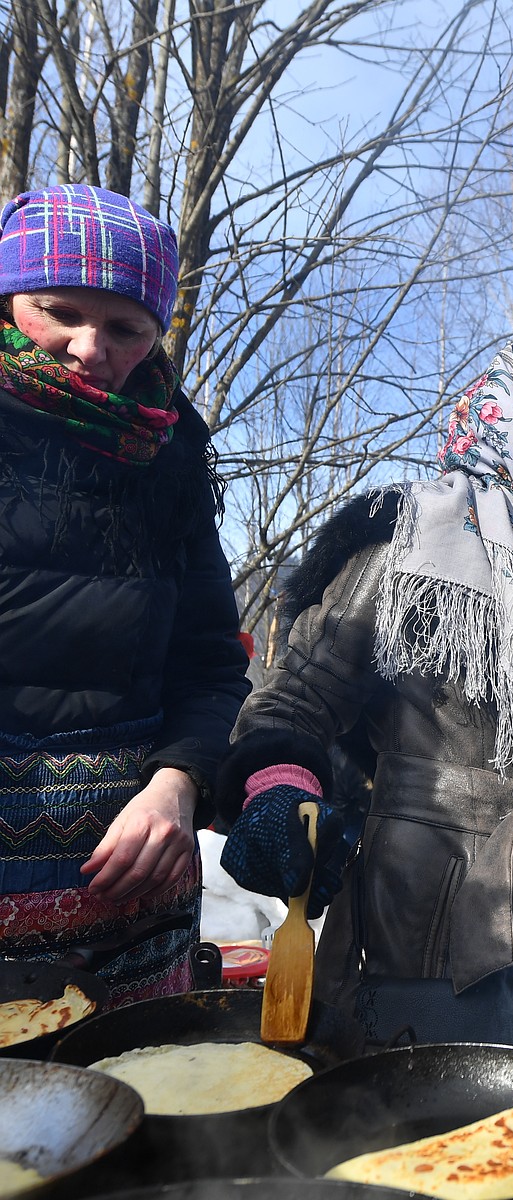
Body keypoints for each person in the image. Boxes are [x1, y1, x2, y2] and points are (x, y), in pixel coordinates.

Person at [217, 318, 513, 1060]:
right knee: (429, 1148)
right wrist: (278, 788)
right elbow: (299, 696)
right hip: (435, 923)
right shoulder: (415, 546)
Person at [0, 184, 250, 1004]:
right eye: (58, 310)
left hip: (131, 892)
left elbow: (212, 665)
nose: (86, 347)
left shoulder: (172, 454)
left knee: (139, 1107)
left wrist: (180, 782)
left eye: (124, 328)